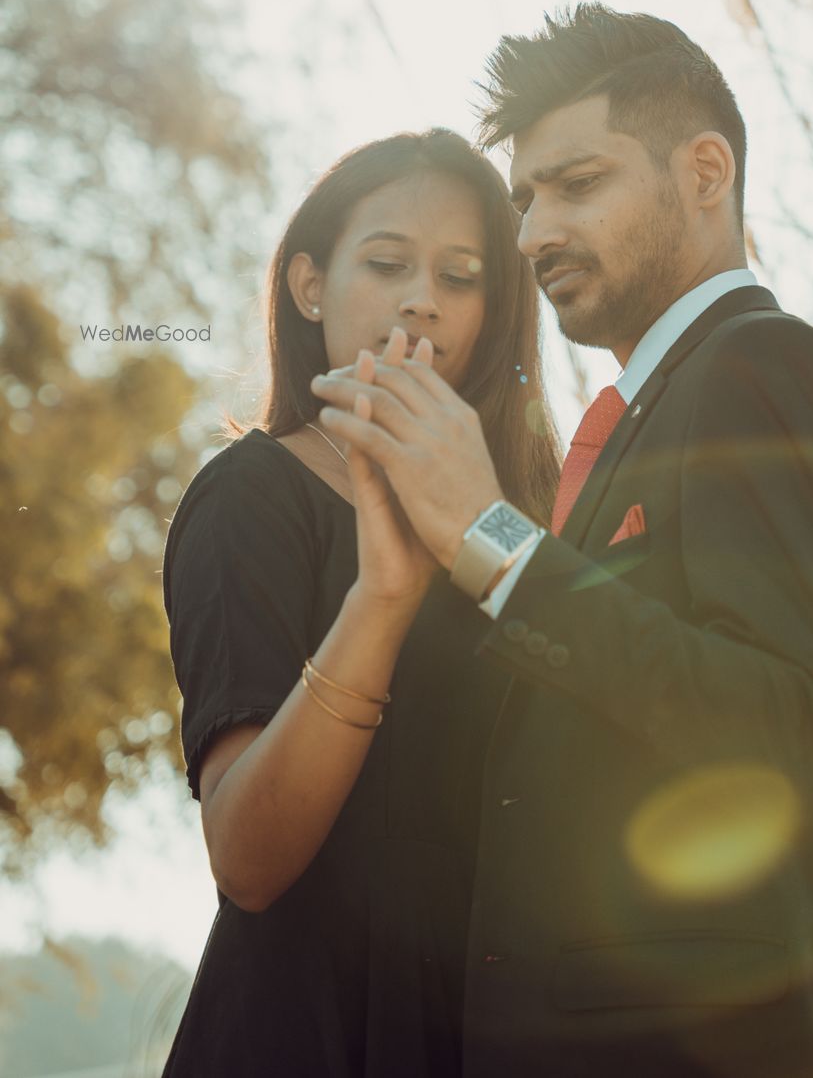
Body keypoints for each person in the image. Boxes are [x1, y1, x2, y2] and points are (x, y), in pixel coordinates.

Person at [312, 5, 813, 1078]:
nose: (534, 232)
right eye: (526, 198)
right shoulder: (643, 416)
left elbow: (808, 746)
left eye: (578, 185)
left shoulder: (767, 370)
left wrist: (489, 539)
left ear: (705, 170)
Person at [159, 129, 560, 1077]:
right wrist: (382, 597)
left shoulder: (522, 515)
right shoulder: (248, 496)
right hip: (306, 1031)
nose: (424, 296)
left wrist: (485, 523)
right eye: (387, 263)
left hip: (493, 1027)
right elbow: (247, 862)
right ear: (309, 286)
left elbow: (573, 626)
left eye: (462, 276)